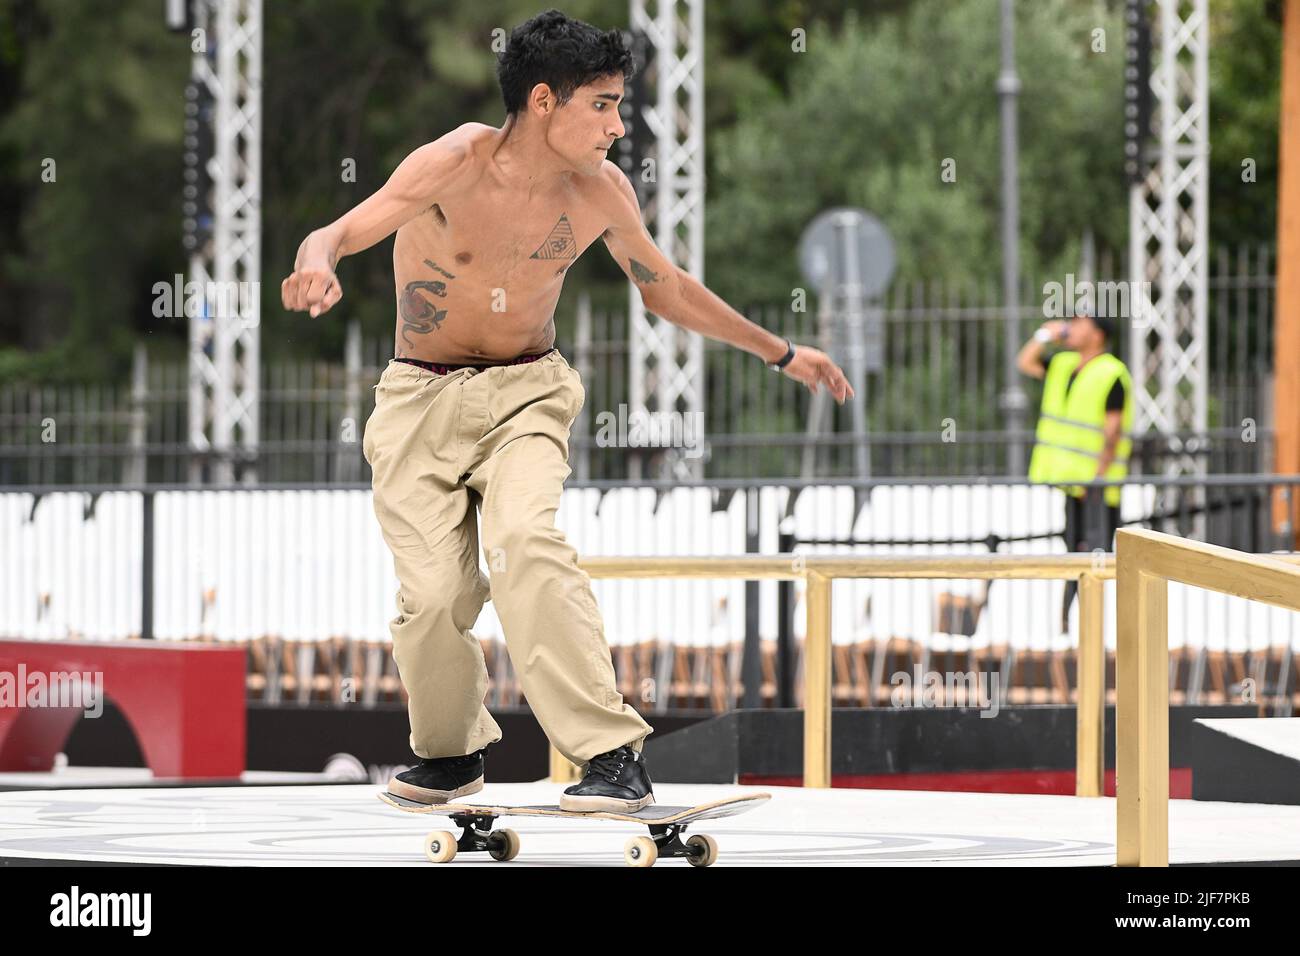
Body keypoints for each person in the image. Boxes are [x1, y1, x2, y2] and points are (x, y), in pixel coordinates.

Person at [280, 9, 852, 812]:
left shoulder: (602, 193)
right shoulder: (454, 161)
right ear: (543, 102)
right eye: (604, 105)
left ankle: (611, 753)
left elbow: (671, 292)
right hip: (419, 399)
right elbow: (334, 233)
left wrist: (782, 352)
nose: (619, 126)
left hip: (527, 392)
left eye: (622, 106)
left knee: (524, 542)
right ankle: (450, 755)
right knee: (436, 596)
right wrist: (315, 267)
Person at [1019, 307, 1134, 634]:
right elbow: (1025, 361)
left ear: (1098, 334)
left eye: (1080, 323)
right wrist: (1046, 335)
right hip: (1071, 484)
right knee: (1073, 554)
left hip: (1097, 488)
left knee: (1097, 558)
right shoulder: (1063, 363)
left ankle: (1100, 630)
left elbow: (1112, 431)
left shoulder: (1112, 373)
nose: (1071, 327)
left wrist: (1097, 477)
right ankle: (1069, 629)